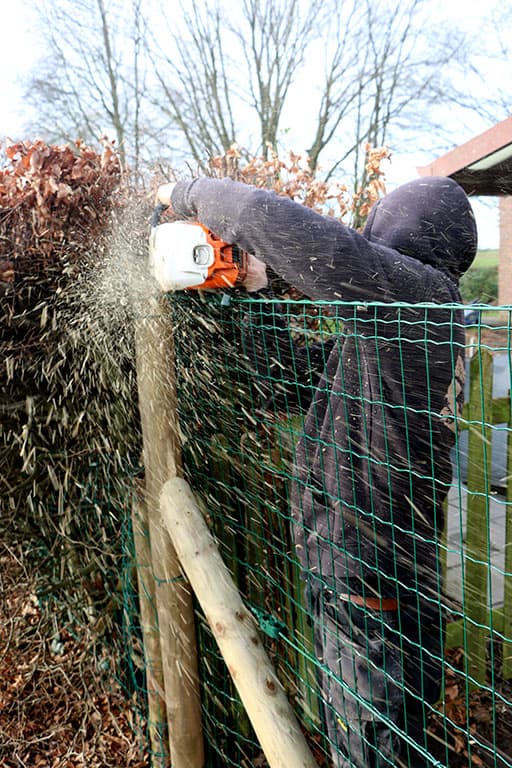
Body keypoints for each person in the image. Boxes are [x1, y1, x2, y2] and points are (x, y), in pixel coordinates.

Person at [157, 175, 477, 767]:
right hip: (366, 577)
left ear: (407, 232)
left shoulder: (419, 303)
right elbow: (280, 377)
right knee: (364, 739)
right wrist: (255, 290)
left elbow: (295, 234)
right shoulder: (402, 325)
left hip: (372, 586)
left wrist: (189, 194)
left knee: (371, 752)